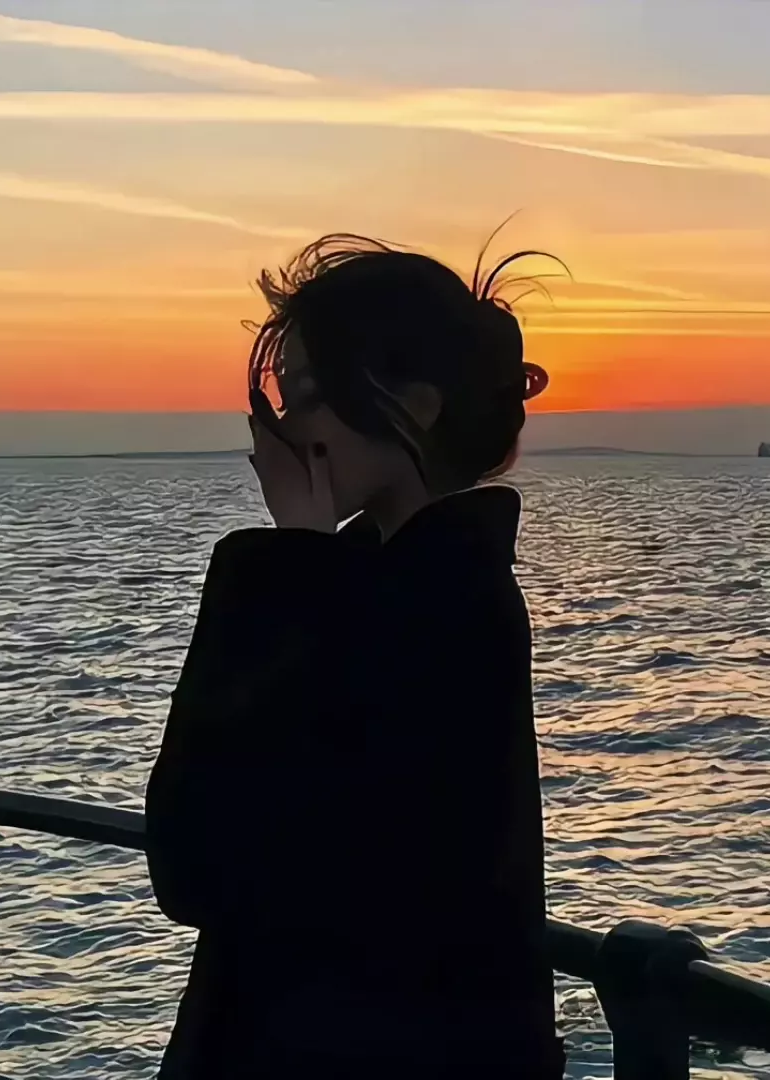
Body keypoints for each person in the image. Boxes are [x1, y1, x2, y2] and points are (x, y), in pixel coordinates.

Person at [144, 233, 566, 1079]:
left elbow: (199, 859)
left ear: (416, 406)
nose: (282, 429)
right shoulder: (425, 586)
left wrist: (291, 565)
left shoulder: (425, 607)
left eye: (306, 394)